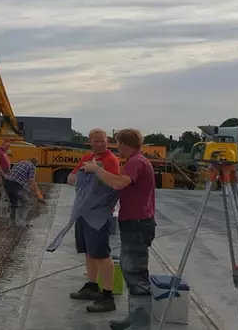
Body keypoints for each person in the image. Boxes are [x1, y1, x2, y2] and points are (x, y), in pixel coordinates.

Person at [87, 128, 156, 330]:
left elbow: (118, 183)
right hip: (135, 222)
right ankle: (135, 317)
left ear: (125, 144)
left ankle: (141, 323)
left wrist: (97, 170)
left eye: (118, 144)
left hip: (137, 224)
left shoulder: (136, 162)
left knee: (135, 271)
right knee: (129, 269)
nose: (118, 148)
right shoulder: (137, 161)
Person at [67, 128, 121, 313]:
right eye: (95, 141)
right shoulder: (86, 158)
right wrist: (86, 174)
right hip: (83, 213)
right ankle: (92, 286)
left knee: (101, 255)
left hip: (99, 215)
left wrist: (94, 171)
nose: (99, 144)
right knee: (88, 252)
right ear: (90, 142)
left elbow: (114, 183)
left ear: (108, 141)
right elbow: (71, 178)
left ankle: (108, 295)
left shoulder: (111, 160)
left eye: (102, 141)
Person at [2, 157, 44, 225]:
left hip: (7, 182)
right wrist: (37, 193)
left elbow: (22, 180)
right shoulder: (32, 166)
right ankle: (21, 221)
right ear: (35, 164)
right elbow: (31, 181)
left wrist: (29, 191)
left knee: (14, 204)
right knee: (26, 201)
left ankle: (12, 222)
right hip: (15, 185)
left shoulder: (20, 163)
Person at [0, 140, 12, 214]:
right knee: (2, 192)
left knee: (1, 193)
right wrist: (4, 175)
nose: (7, 148)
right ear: (3, 144)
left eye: (9, 147)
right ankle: (1, 211)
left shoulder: (4, 152)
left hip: (5, 173)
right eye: (7, 146)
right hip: (1, 174)